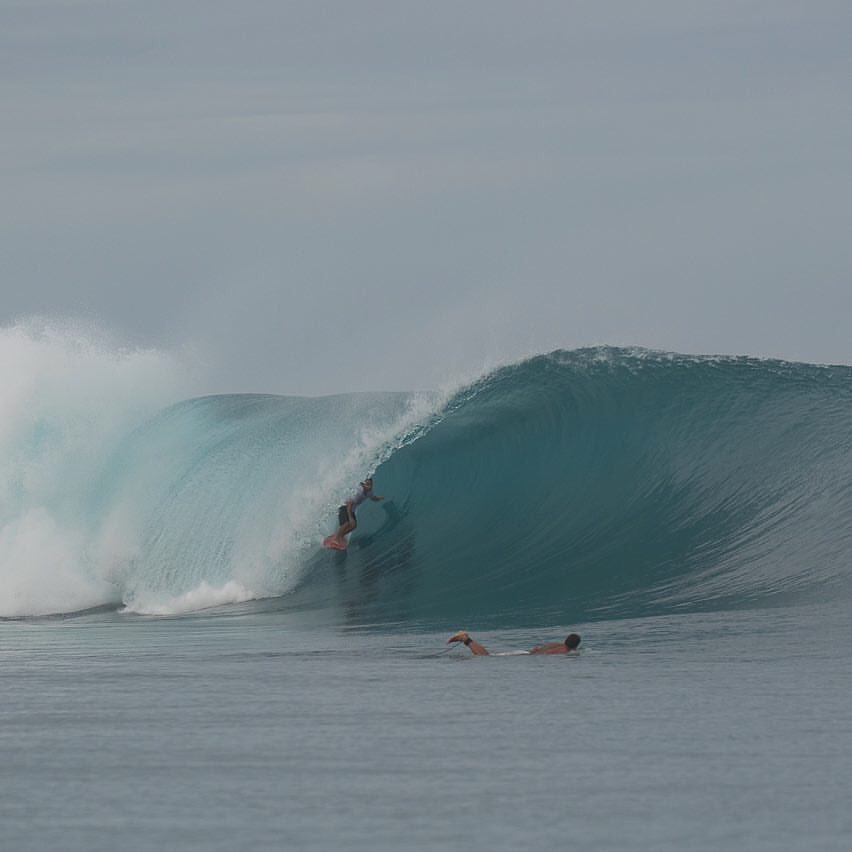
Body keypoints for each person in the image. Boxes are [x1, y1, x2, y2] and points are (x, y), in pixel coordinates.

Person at [329, 477, 384, 546]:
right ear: (363, 484)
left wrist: (379, 498)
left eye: (370, 485)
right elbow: (349, 503)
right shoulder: (359, 491)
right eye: (367, 484)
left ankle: (340, 536)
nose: (369, 486)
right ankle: (335, 539)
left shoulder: (369, 492)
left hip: (351, 509)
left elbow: (373, 498)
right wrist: (350, 517)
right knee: (346, 524)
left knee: (353, 526)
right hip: (344, 507)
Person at [447, 630, 581, 656]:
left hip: (525, 652)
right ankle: (465, 639)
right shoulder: (564, 651)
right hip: (525, 656)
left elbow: (538, 648)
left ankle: (466, 640)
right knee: (486, 657)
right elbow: (548, 653)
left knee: (488, 655)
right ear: (576, 645)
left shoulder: (557, 643)